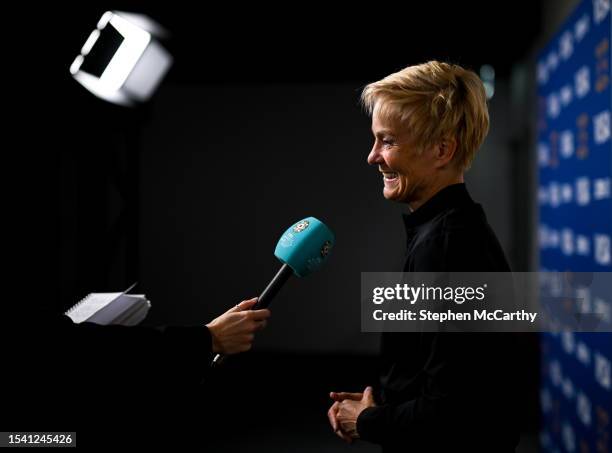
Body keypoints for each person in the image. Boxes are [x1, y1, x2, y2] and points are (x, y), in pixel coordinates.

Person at [327, 61, 519, 452]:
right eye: (375, 139)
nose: (372, 156)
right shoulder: (446, 233)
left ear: (442, 149)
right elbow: (448, 381)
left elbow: (454, 412)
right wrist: (380, 407)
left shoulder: (446, 246)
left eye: (388, 141)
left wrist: (366, 421)